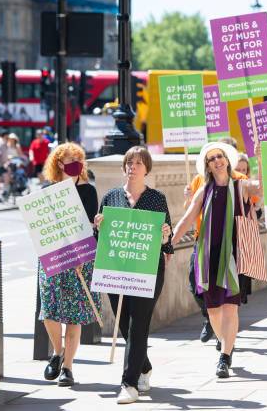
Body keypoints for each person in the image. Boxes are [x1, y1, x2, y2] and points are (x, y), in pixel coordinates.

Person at [172, 141, 263, 379]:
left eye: (220, 156)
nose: (217, 161)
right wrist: (168, 243)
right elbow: (186, 219)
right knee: (213, 310)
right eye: (212, 159)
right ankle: (226, 343)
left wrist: (260, 160)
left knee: (231, 308)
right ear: (208, 166)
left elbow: (261, 189)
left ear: (227, 159)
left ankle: (224, 356)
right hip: (208, 256)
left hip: (235, 254)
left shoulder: (241, 184)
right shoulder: (204, 190)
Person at [94, 146, 173, 404]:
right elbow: (101, 238)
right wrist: (98, 226)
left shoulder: (157, 198)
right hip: (115, 270)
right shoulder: (111, 197)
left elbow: (166, 240)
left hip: (147, 271)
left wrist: (165, 235)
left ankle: (129, 384)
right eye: (129, 162)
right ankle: (144, 366)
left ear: (146, 169)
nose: (133, 167)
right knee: (124, 323)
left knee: (138, 323)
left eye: (139, 163)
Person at [39, 142, 102, 387]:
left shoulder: (88, 191)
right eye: (69, 159)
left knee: (74, 316)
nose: (74, 163)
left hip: (79, 258)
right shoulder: (47, 190)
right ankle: (58, 351)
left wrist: (80, 254)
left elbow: (87, 225)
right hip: (52, 257)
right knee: (49, 312)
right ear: (58, 163)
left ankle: (67, 368)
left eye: (78, 158)